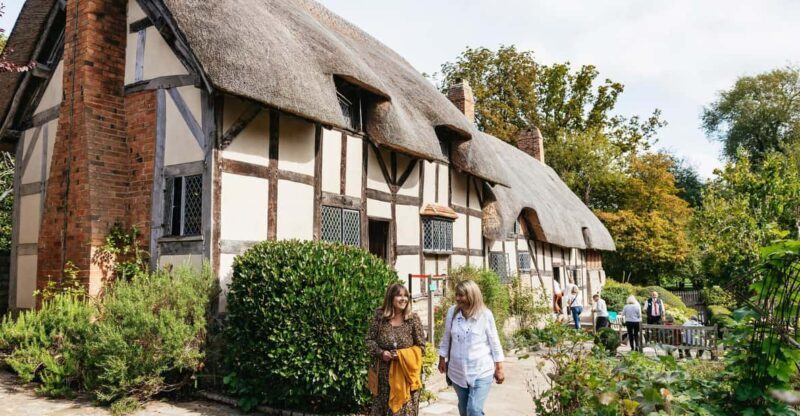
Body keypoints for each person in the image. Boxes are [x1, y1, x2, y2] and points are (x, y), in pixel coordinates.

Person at [438, 280, 505, 416]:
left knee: (473, 410)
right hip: (457, 371)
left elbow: (495, 342)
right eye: (457, 294)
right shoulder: (452, 312)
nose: (457, 298)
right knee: (464, 411)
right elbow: (446, 337)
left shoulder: (485, 315)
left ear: (472, 295)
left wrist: (499, 368)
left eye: (461, 295)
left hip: (481, 370)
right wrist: (441, 359)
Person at [366, 283, 426, 416]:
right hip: (383, 377)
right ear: (390, 297)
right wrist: (381, 353)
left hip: (406, 378)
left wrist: (402, 355)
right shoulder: (380, 317)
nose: (403, 299)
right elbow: (369, 341)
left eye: (406, 296)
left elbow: (422, 347)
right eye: (399, 295)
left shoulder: (412, 319)